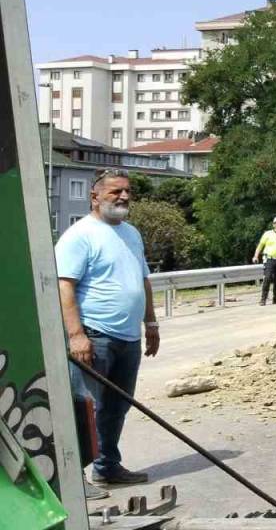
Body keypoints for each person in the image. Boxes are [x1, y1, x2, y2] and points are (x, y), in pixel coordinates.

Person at [57, 169, 159, 495]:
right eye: (116, 192)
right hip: (94, 336)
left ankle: (107, 467)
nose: (124, 197)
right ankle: (75, 478)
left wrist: (151, 323)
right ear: (95, 196)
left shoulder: (132, 233)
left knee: (117, 407)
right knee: (83, 407)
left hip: (128, 337)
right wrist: (76, 335)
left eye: (128, 191)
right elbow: (64, 286)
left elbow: (143, 280)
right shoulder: (80, 235)